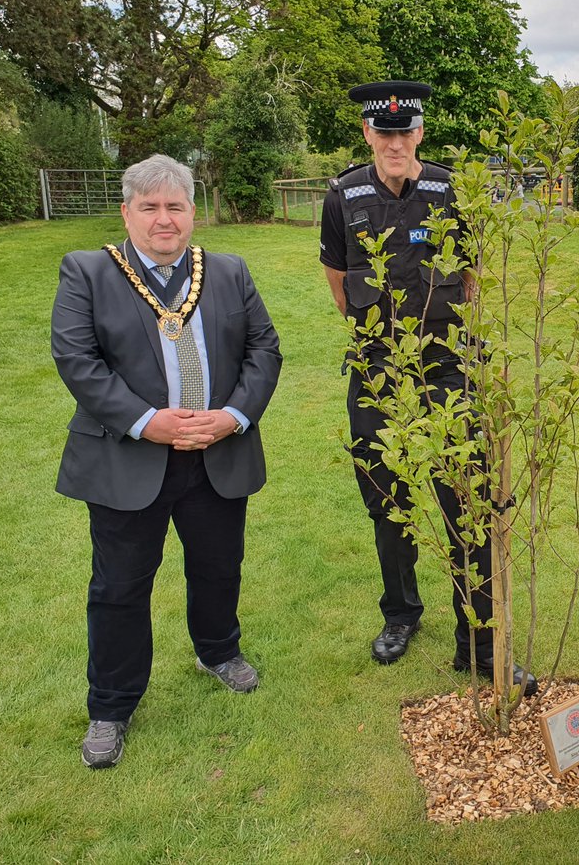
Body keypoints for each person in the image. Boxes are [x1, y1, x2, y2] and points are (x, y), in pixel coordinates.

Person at [51, 154, 282, 768]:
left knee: (217, 565)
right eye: (149, 207)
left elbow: (264, 348)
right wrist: (145, 421)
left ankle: (218, 650)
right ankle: (111, 705)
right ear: (127, 212)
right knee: (120, 587)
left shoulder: (228, 272)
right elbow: (78, 360)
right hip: (130, 461)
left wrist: (232, 416)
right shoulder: (88, 272)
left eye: (175, 206)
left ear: (192, 213)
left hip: (216, 453)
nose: (163, 219)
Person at [320, 80, 535, 694]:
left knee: (463, 498)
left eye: (404, 131)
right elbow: (338, 283)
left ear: (419, 134)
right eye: (383, 132)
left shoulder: (449, 191)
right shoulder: (343, 196)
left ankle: (478, 641)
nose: (394, 142)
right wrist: (378, 339)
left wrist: (447, 345)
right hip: (377, 370)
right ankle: (401, 613)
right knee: (387, 498)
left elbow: (470, 276)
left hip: (445, 366)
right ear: (368, 135)